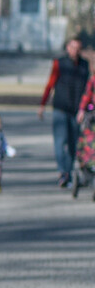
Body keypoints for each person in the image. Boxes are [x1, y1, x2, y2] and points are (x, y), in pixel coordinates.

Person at [37, 37, 90, 187]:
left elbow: (88, 89)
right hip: (60, 108)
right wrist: (42, 105)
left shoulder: (84, 65)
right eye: (72, 47)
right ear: (67, 48)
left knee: (73, 143)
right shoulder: (59, 63)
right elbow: (50, 85)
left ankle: (67, 171)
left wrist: (85, 108)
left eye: (78, 48)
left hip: (77, 111)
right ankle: (62, 172)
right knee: (60, 142)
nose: (75, 51)